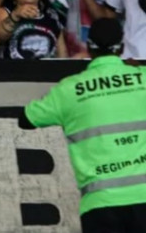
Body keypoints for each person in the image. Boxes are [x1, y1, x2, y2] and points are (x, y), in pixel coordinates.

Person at [20, 18, 146, 232]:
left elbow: (26, 119)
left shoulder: (69, 90)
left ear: (88, 48)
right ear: (122, 47)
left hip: (100, 205)